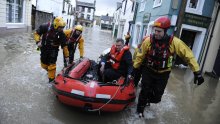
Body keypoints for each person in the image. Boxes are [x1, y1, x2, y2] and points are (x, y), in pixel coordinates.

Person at [133, 16, 204, 117]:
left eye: (159, 31)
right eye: (155, 30)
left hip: (163, 73)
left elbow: (189, 56)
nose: (156, 33)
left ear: (165, 31)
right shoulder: (148, 41)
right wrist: (135, 69)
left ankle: (148, 99)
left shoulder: (175, 42)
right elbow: (140, 56)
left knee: (157, 97)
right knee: (145, 90)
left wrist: (197, 72)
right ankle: (139, 110)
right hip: (148, 70)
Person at [34, 16, 69, 83]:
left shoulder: (62, 34)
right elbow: (36, 33)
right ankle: (49, 71)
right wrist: (38, 41)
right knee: (43, 65)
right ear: (56, 25)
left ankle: (51, 80)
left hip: (54, 50)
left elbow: (64, 46)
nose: (61, 29)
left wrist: (67, 56)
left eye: (63, 28)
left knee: (52, 65)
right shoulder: (45, 26)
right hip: (44, 48)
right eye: (60, 28)